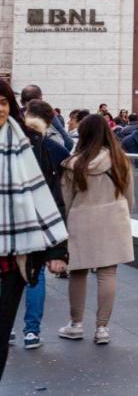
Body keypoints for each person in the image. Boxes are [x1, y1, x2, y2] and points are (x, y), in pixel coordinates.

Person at [0, 80, 68, 377]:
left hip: (14, 256)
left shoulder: (29, 142)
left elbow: (47, 195)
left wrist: (57, 249)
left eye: (3, 102)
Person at [58, 114, 133, 345]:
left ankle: (76, 324)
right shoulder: (120, 160)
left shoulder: (74, 164)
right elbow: (129, 196)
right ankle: (102, 329)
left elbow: (66, 199)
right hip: (114, 218)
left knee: (78, 272)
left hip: (81, 220)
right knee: (107, 273)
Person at [12, 100, 70, 350]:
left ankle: (8, 329)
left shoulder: (10, 143)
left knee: (6, 275)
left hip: (10, 219)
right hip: (41, 218)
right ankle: (31, 331)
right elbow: (61, 192)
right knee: (36, 275)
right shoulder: (54, 148)